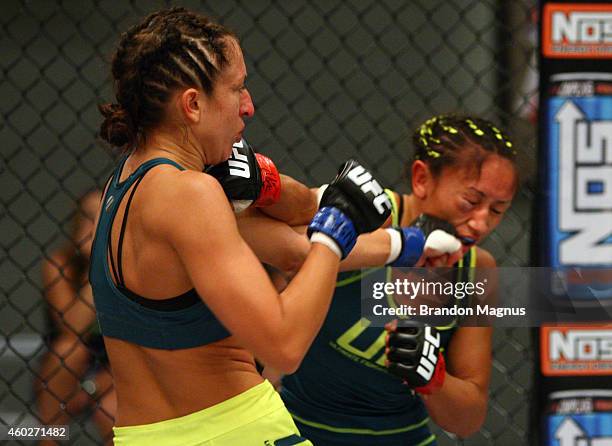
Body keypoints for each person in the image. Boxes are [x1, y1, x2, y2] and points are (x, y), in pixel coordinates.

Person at [90, 7, 394, 445]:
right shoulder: (190, 194)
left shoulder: (122, 186)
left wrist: (403, 243)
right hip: (237, 432)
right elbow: (284, 345)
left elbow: (289, 248)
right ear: (193, 104)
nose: (248, 106)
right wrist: (336, 229)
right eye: (237, 89)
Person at [251, 114, 519, 445]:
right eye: (472, 201)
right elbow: (288, 250)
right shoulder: (371, 213)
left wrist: (433, 379)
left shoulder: (477, 270)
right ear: (421, 178)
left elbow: (468, 418)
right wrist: (400, 245)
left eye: (497, 210)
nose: (480, 223)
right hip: (305, 433)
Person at [37, 190, 115, 445]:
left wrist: (91, 390)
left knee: (110, 413)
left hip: (116, 365)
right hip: (65, 369)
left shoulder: (128, 265)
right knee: (70, 350)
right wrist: (98, 266)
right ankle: (47, 440)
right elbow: (72, 327)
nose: (93, 228)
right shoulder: (59, 263)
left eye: (101, 219)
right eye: (87, 218)